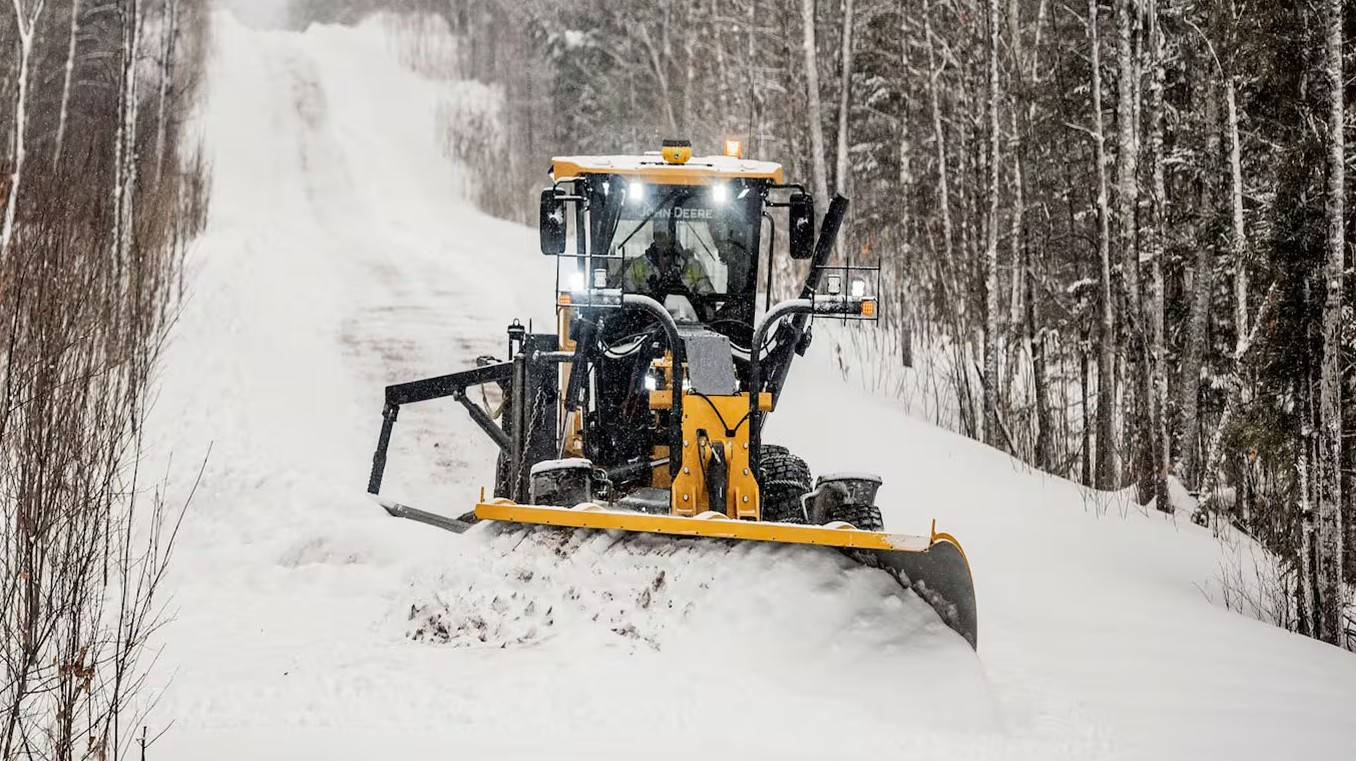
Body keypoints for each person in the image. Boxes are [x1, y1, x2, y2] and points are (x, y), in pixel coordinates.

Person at [621, 228, 714, 300]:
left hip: (688, 319)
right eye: (660, 235)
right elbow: (624, 295)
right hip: (651, 319)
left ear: (673, 236)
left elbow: (708, 295)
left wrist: (698, 301)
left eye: (667, 234)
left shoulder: (691, 265)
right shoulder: (639, 265)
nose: (663, 240)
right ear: (655, 237)